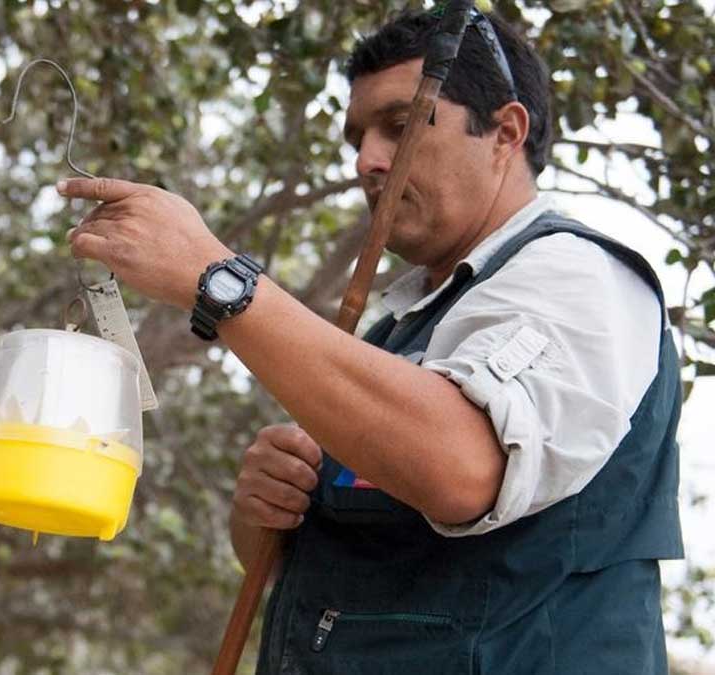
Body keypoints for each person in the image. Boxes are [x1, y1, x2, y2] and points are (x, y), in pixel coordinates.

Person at [57, 7, 683, 674]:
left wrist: (218, 280)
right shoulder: (393, 334)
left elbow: (462, 466)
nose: (368, 160)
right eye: (358, 137)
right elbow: (329, 573)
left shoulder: (581, 275)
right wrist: (268, 508)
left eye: (403, 124)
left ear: (505, 132)